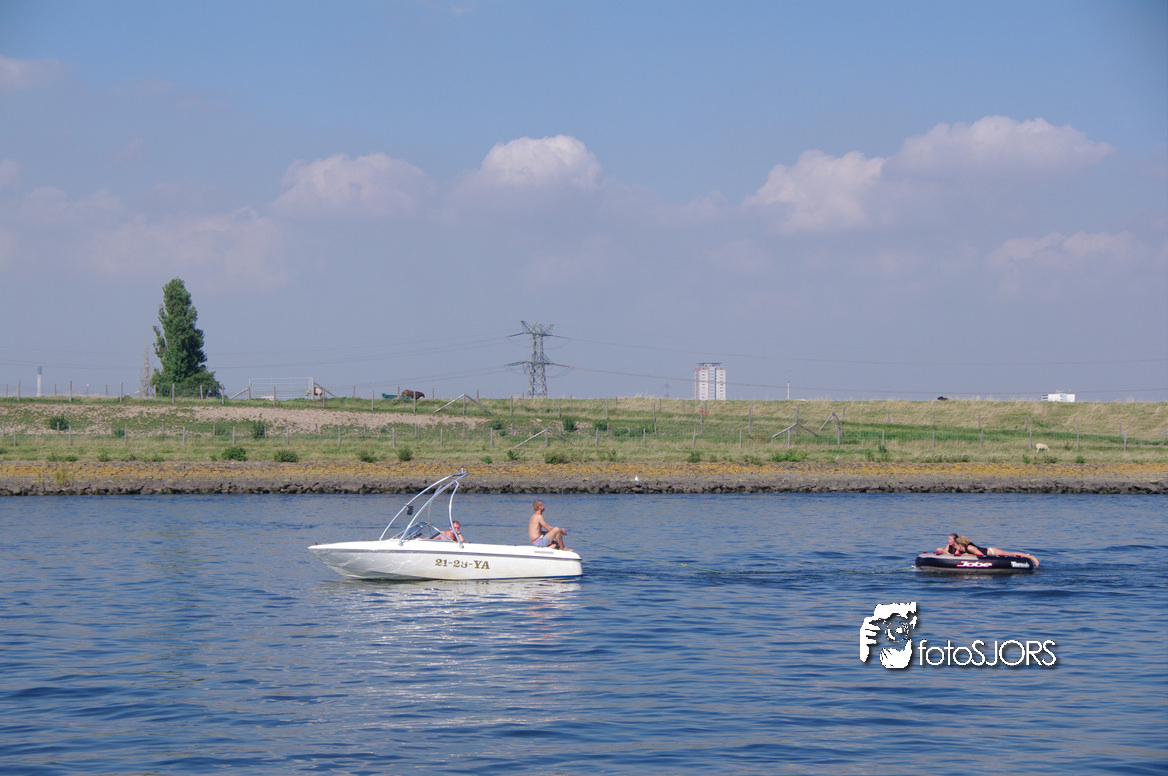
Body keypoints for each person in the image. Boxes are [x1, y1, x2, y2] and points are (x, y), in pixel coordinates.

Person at [937, 533, 1039, 567]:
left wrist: (968, 555)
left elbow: (981, 555)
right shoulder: (958, 548)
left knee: (1011, 554)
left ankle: (1030, 557)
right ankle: (1028, 556)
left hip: (991, 552)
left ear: (959, 544)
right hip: (985, 554)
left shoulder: (969, 548)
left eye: (956, 545)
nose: (955, 547)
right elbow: (953, 556)